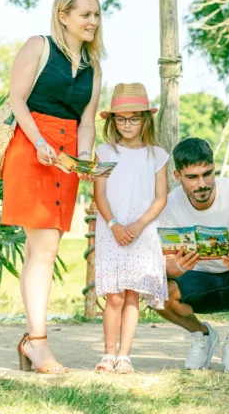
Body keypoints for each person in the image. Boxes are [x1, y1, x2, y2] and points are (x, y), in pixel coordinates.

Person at [3, 0, 104, 374]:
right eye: (86, 15)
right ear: (63, 15)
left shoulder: (94, 66)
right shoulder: (38, 46)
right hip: (32, 147)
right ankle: (39, 344)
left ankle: (32, 339)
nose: (93, 22)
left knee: (43, 249)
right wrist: (40, 142)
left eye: (96, 15)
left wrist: (83, 161)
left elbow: (88, 121)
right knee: (43, 248)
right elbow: (17, 100)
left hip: (68, 156)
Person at [156, 138, 229, 372]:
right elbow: (163, 260)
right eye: (192, 177)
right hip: (197, 278)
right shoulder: (169, 204)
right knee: (156, 291)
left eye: (207, 174)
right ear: (177, 176)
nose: (202, 184)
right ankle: (201, 335)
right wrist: (176, 266)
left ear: (214, 167)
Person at [92, 83, 169, 374]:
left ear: (145, 120)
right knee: (115, 295)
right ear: (112, 121)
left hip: (142, 230)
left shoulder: (157, 156)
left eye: (134, 118)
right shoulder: (104, 152)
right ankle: (108, 354)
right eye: (121, 119)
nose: (127, 124)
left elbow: (160, 198)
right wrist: (114, 225)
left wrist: (137, 225)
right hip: (112, 229)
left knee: (132, 293)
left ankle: (125, 355)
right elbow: (99, 194)